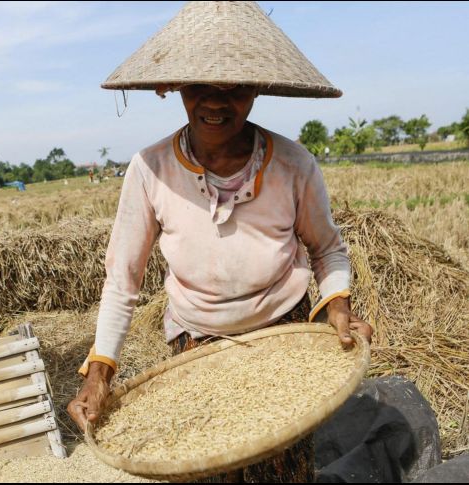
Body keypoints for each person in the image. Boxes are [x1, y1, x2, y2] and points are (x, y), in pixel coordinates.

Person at [68, 2, 373, 481]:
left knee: (284, 468)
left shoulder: (293, 164)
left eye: (235, 88)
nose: (216, 103)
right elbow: (122, 281)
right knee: (206, 465)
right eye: (199, 87)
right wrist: (99, 372)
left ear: (257, 89)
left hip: (283, 335)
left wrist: (337, 304)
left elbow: (327, 248)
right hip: (197, 344)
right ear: (173, 87)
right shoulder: (150, 170)